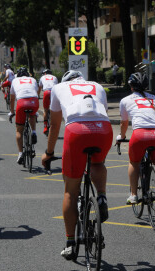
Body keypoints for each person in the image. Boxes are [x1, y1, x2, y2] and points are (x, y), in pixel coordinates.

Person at [41, 70, 113, 260]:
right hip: (103, 129)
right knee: (98, 161)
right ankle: (102, 197)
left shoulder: (58, 88)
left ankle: (70, 243)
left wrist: (49, 153)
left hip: (76, 131)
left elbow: (55, 126)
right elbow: (101, 112)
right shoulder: (97, 86)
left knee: (70, 192)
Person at [117, 72, 155, 204]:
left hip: (140, 135)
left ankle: (133, 195)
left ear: (131, 86)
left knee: (134, 162)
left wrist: (121, 137)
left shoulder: (125, 100)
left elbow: (124, 123)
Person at [9, 66, 39, 165]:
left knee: (19, 130)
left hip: (22, 103)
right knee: (32, 114)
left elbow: (12, 99)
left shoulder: (15, 80)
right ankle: (34, 132)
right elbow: (37, 92)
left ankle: (20, 153)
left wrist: (11, 112)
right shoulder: (33, 79)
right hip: (34, 101)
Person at [37, 68, 58, 136]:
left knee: (45, 110)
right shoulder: (55, 77)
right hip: (54, 92)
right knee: (54, 110)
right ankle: (53, 126)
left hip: (46, 92)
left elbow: (39, 88)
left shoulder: (42, 77)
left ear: (44, 73)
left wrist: (37, 96)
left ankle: (45, 127)